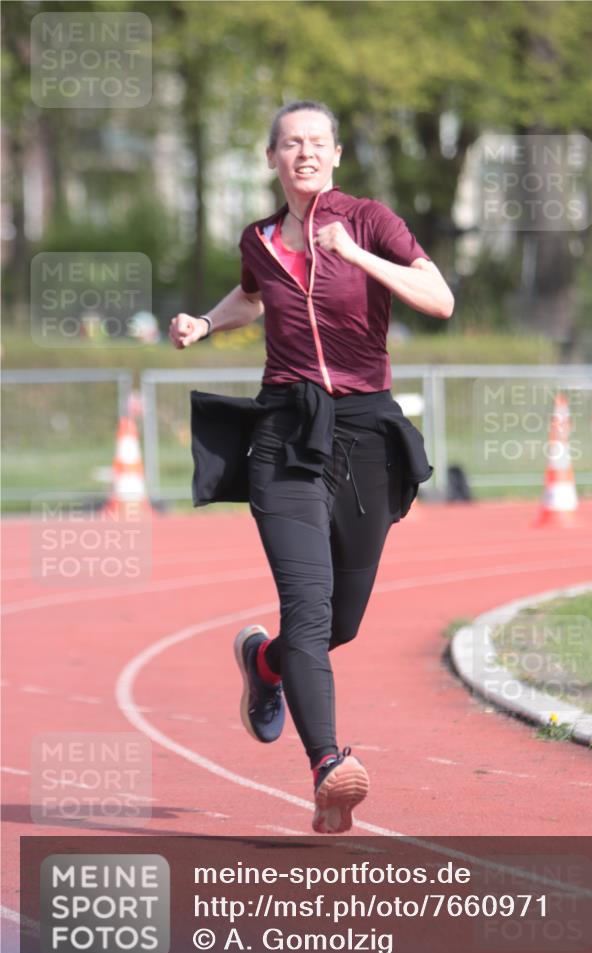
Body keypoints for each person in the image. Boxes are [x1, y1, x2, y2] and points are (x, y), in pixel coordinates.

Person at [169, 100, 454, 834]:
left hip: (364, 431)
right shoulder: (260, 237)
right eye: (290, 144)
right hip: (285, 434)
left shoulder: (369, 220)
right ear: (271, 158)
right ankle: (329, 767)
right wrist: (205, 322)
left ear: (334, 155)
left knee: (341, 621)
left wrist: (357, 257)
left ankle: (263, 664)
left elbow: (440, 300)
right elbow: (252, 295)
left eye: (317, 143)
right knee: (307, 603)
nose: (304, 154)